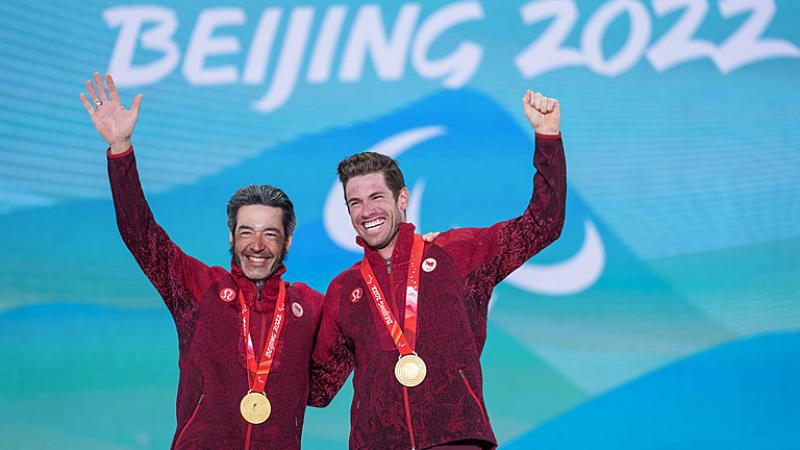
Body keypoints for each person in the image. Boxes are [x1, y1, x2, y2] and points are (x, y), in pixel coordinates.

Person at [308, 89, 567, 449]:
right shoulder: (344, 289)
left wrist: (548, 138)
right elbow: (318, 388)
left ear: (402, 199)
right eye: (355, 202)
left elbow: (542, 225)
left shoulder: (460, 254)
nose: (366, 211)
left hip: (455, 437)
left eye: (377, 197)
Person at [80, 72, 323, 449]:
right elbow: (141, 235)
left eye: (270, 234)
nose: (256, 245)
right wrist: (121, 148)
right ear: (231, 235)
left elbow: (326, 382)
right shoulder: (199, 287)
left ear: (288, 239)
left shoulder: (308, 306)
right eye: (246, 232)